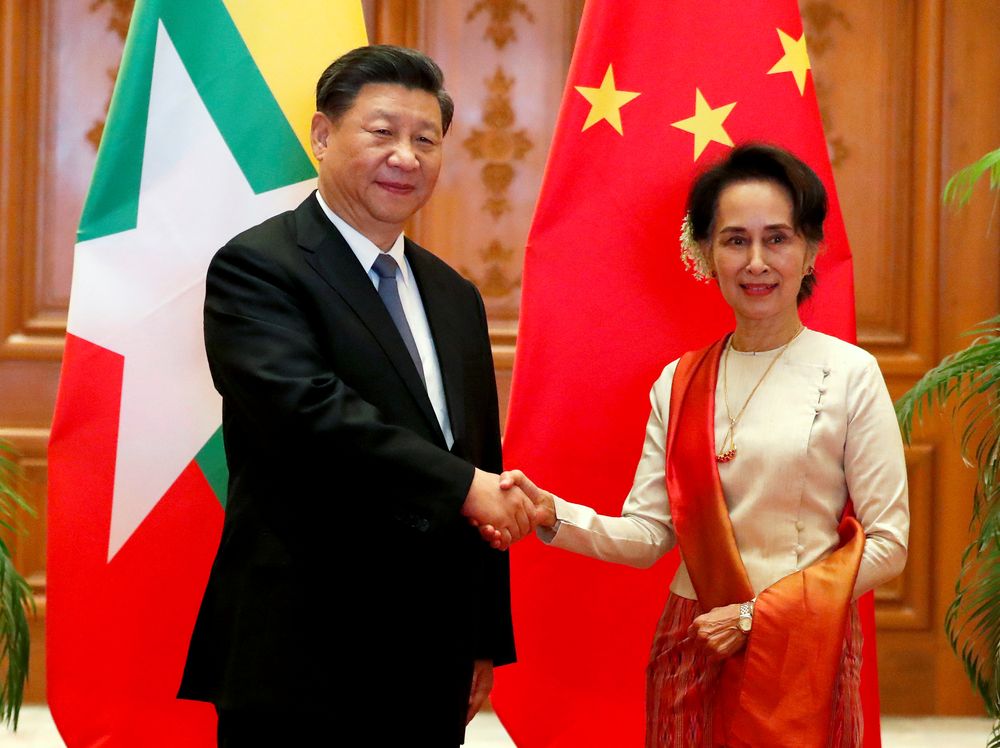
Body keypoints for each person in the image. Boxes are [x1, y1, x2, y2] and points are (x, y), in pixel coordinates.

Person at [178, 45, 537, 746]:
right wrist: (466, 485)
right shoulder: (259, 268)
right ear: (321, 135)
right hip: (299, 657)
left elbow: (478, 457)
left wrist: (482, 638)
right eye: (382, 132)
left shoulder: (454, 295)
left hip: (427, 661)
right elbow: (310, 417)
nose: (406, 156)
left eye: (425, 140)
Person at [496, 144, 909, 747]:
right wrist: (554, 515)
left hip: (802, 644)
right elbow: (649, 536)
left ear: (811, 249)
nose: (757, 262)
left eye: (778, 239)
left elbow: (889, 544)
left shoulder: (849, 373)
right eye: (735, 240)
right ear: (706, 253)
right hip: (695, 637)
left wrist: (758, 616)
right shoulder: (680, 380)